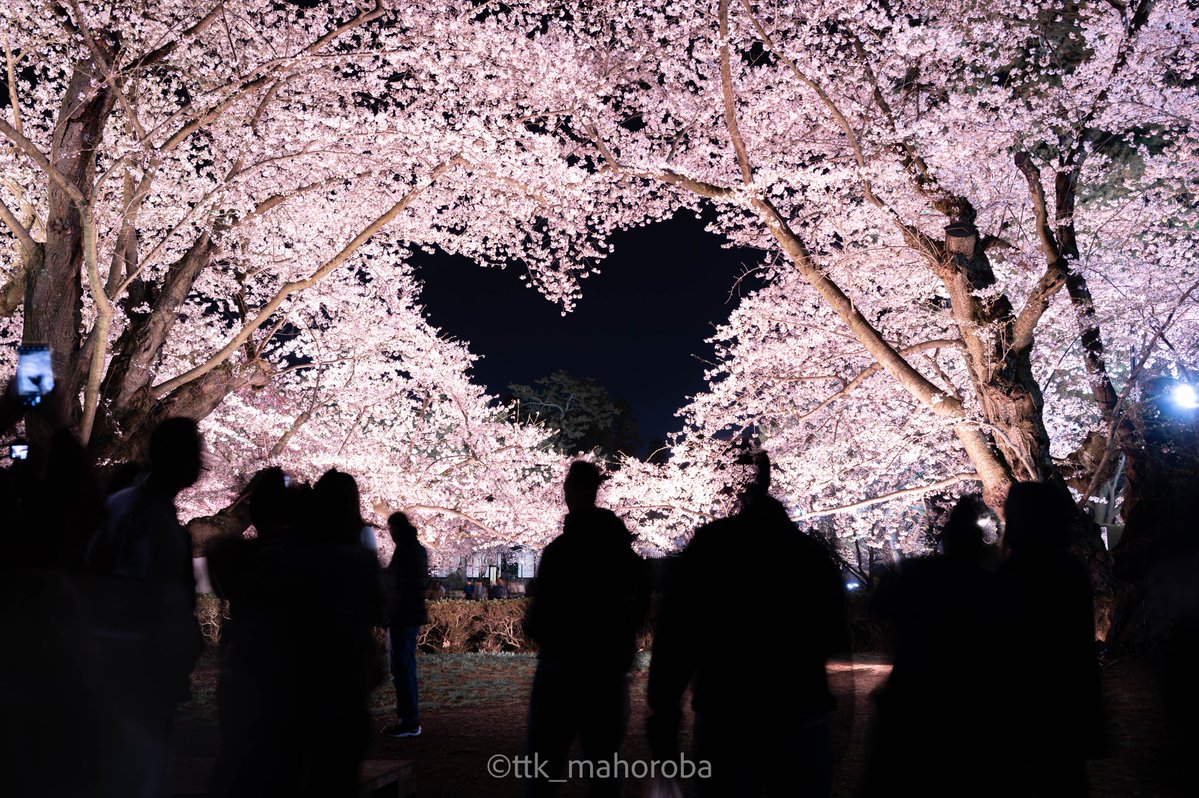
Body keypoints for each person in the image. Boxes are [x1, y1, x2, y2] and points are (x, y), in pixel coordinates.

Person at [647, 449, 847, 798]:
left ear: (731, 489)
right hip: (800, 709)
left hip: (727, 711)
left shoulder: (712, 544)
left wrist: (664, 707)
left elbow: (678, 631)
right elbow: (833, 632)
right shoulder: (809, 553)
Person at [85, 417, 206, 798]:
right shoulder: (153, 518)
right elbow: (152, 597)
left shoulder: (120, 505)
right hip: (140, 670)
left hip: (111, 661)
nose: (201, 463)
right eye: (195, 453)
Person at [863, 495, 1015, 797]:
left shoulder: (916, 573)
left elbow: (881, 608)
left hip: (912, 697)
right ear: (977, 545)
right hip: (971, 705)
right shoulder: (990, 586)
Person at [523, 460, 650, 797]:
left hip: (560, 665)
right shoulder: (618, 548)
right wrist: (629, 633)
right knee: (604, 767)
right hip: (607, 665)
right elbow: (644, 589)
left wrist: (537, 625)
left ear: (570, 492)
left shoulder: (559, 552)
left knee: (542, 767)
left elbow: (538, 618)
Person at [1000, 481, 1103, 798]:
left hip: (1018, 705)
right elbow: (1081, 643)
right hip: (1065, 701)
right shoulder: (1070, 570)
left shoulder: (1006, 574)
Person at [382, 511, 430, 738]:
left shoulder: (405, 551)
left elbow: (396, 583)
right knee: (406, 668)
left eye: (390, 529)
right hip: (412, 615)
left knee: (401, 669)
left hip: (403, 616)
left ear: (395, 528)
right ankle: (410, 720)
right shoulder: (417, 549)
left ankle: (409, 721)